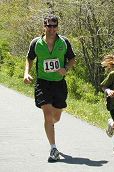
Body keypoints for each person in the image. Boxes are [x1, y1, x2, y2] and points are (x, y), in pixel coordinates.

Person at [23, 14, 76, 162]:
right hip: (43, 83)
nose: (51, 29)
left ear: (57, 27)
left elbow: (72, 59)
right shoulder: (36, 43)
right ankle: (53, 148)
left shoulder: (64, 42)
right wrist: (26, 73)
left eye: (54, 26)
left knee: (55, 118)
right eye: (49, 26)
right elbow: (29, 58)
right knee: (47, 115)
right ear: (44, 26)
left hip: (59, 83)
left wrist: (66, 68)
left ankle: (50, 125)